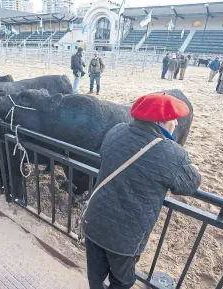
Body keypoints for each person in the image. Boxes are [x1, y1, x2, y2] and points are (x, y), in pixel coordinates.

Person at [83, 93, 201, 289]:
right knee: (123, 280)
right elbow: (190, 183)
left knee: (95, 275)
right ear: (161, 122)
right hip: (125, 237)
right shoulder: (171, 152)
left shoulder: (116, 131)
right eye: (174, 120)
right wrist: (194, 168)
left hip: (94, 221)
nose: (177, 125)